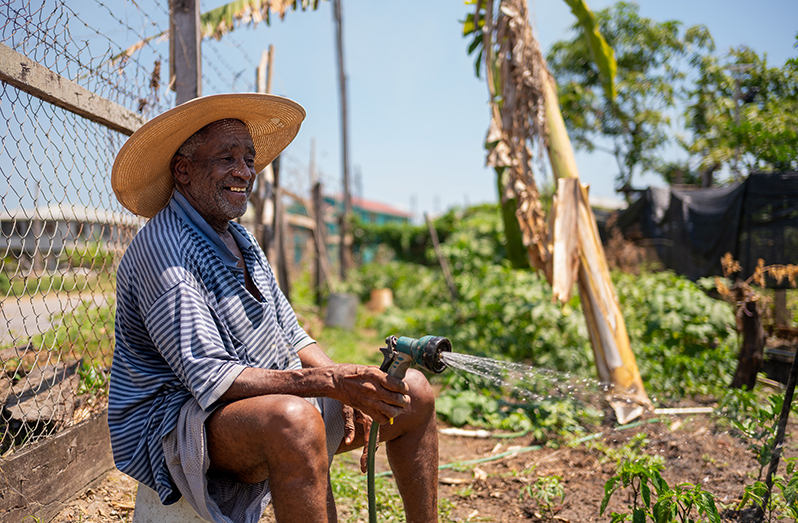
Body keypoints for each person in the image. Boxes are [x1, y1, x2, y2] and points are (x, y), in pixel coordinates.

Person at [108, 93, 439, 523]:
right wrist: (332, 381)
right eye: (227, 158)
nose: (244, 172)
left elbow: (291, 332)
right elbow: (212, 379)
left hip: (256, 397)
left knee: (412, 393)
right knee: (294, 422)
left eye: (249, 159)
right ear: (183, 169)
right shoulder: (165, 249)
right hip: (179, 422)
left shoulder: (238, 238)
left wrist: (346, 383)